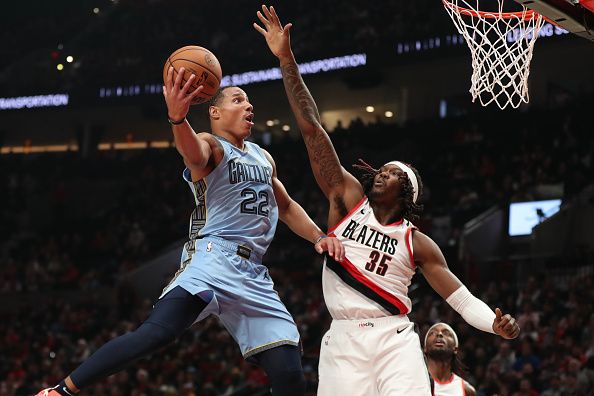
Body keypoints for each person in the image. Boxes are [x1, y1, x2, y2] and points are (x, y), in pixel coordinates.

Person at [253, 5, 520, 395]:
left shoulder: (417, 242)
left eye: (392, 172)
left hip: (394, 337)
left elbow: (460, 298)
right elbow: (312, 129)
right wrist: (286, 59)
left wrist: (493, 324)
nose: (381, 173)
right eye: (382, 169)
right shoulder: (346, 201)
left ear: (407, 192)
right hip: (343, 339)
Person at [36, 64, 345, 396]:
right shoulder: (210, 145)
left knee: (288, 371)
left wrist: (319, 236)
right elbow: (191, 153)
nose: (249, 106)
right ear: (214, 112)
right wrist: (177, 119)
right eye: (239, 100)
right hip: (213, 259)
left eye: (249, 102)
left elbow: (284, 206)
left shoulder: (262, 157)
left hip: (253, 273)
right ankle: (61, 391)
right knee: (156, 334)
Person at [424, 322, 477, 396]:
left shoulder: (467, 390)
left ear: (455, 349)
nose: (439, 334)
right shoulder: (412, 381)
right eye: (432, 333)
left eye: (446, 333)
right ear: (425, 348)